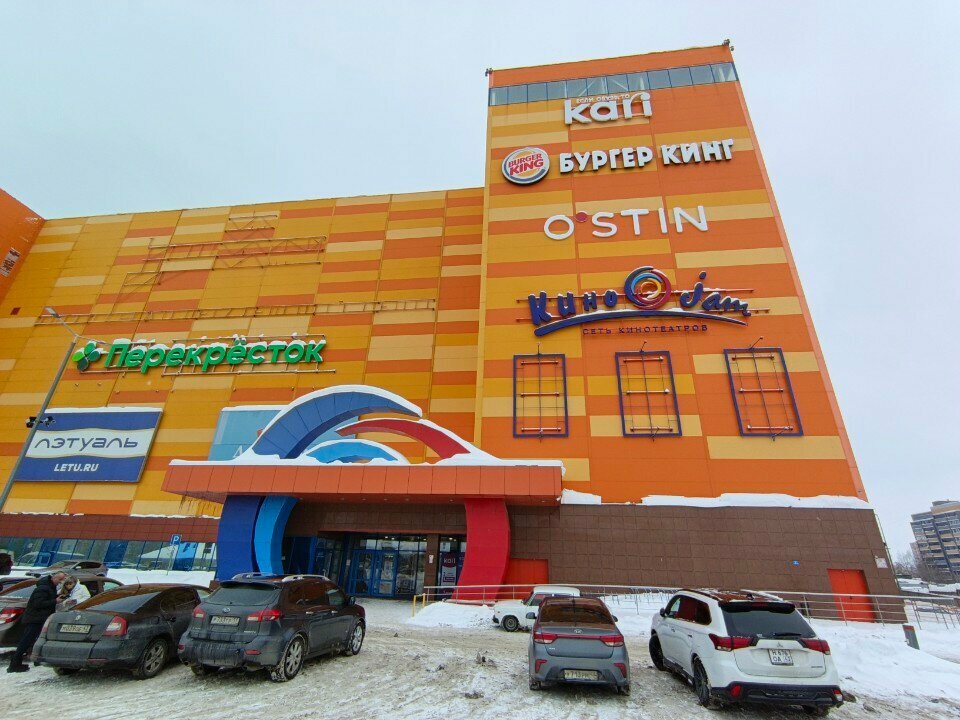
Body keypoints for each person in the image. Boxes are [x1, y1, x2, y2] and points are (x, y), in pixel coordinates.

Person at [7, 571, 67, 673]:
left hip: (39, 618)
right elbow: (38, 603)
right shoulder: (43, 588)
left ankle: (34, 660)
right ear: (54, 578)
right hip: (35, 619)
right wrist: (55, 601)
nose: (61, 582)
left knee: (33, 640)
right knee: (26, 641)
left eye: (63, 580)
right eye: (60, 580)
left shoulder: (49, 587)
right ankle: (14, 664)